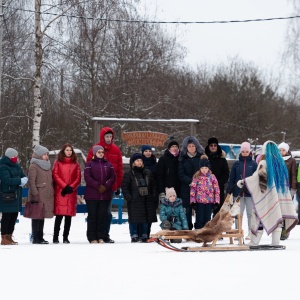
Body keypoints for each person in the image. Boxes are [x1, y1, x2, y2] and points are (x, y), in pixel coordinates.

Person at [237, 140, 298, 246]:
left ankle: (254, 241)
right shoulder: (281, 164)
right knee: (277, 217)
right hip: (279, 197)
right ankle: (275, 242)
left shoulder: (264, 163)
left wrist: (243, 181)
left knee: (260, 215)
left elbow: (257, 178)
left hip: (267, 196)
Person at [86, 127, 123, 243]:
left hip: (109, 187)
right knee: (95, 213)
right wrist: (97, 185)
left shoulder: (116, 150)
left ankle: (104, 234)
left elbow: (119, 170)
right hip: (94, 189)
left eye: (110, 137)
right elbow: (88, 169)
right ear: (102, 137)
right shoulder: (95, 148)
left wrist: (117, 185)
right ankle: (94, 235)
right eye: (106, 136)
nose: (108, 139)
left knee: (106, 213)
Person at [121, 153, 157, 243]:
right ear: (133, 163)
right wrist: (129, 198)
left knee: (145, 218)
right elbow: (125, 188)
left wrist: (153, 196)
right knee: (134, 218)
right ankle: (134, 235)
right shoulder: (129, 174)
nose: (139, 162)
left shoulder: (148, 173)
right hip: (134, 200)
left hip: (146, 199)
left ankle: (144, 234)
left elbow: (153, 186)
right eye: (137, 160)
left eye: (141, 160)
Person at [84, 145, 116, 243]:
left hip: (105, 194)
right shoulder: (89, 164)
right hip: (92, 195)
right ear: (95, 153)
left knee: (102, 216)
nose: (101, 154)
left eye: (102, 152)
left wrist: (105, 186)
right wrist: (98, 185)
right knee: (93, 216)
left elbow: (112, 177)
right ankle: (92, 237)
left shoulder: (108, 164)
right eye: (99, 152)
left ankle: (101, 236)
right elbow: (87, 177)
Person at [227, 142, 257, 240]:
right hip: (238, 193)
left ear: (249, 152)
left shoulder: (253, 164)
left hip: (249, 193)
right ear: (241, 151)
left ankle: (250, 232)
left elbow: (256, 178)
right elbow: (231, 178)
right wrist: (229, 191)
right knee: (238, 214)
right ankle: (237, 231)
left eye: (246, 151)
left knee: (250, 214)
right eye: (243, 151)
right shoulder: (236, 164)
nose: (244, 153)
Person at [52, 143, 81, 244]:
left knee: (68, 217)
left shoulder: (76, 164)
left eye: (70, 150)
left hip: (71, 192)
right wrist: (64, 186)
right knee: (59, 216)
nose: (69, 152)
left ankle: (65, 237)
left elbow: (78, 178)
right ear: (63, 151)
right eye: (67, 150)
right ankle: (55, 237)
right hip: (61, 192)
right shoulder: (58, 162)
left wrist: (71, 187)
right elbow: (55, 175)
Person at [0, 148, 28, 245]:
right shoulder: (3, 166)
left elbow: (23, 175)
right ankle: (4, 237)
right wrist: (19, 181)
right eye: (14, 156)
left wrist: (24, 179)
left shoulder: (17, 166)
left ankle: (9, 236)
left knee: (13, 216)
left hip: (16, 195)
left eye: (16, 156)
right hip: (6, 195)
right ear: (9, 156)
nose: (16, 158)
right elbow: (6, 180)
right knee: (6, 217)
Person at [28, 145, 54, 244]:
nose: (46, 156)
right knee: (36, 216)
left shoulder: (47, 165)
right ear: (39, 155)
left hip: (46, 194)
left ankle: (40, 236)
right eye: (44, 154)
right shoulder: (34, 165)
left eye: (47, 154)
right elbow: (31, 181)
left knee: (42, 216)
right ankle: (35, 237)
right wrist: (34, 193)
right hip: (38, 194)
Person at [178, 136, 204, 229]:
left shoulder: (201, 158)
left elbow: (205, 171)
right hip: (186, 188)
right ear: (186, 147)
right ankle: (187, 228)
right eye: (189, 146)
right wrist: (191, 181)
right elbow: (180, 174)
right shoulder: (182, 158)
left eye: (193, 146)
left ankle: (199, 228)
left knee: (199, 209)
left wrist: (198, 182)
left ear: (196, 146)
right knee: (187, 209)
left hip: (200, 187)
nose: (192, 148)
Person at [190, 155, 220, 229]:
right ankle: (198, 231)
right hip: (199, 201)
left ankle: (207, 232)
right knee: (199, 217)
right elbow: (193, 189)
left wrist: (216, 201)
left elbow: (216, 189)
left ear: (208, 168)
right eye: (202, 168)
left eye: (206, 168)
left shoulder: (212, 177)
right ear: (200, 168)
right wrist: (193, 201)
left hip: (209, 201)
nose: (204, 170)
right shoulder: (197, 177)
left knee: (207, 218)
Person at [204, 137, 229, 217]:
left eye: (215, 145)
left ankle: (217, 228)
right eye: (211, 145)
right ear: (208, 146)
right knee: (206, 211)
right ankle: (206, 228)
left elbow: (226, 174)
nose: (213, 147)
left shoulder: (222, 159)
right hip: (205, 189)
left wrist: (218, 184)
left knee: (218, 211)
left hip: (219, 188)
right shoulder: (204, 159)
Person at [277, 142, 297, 239]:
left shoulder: (292, 160)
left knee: (286, 210)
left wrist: (293, 188)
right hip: (278, 188)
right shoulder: (276, 159)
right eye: (280, 150)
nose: (281, 152)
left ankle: (286, 230)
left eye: (283, 150)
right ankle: (278, 230)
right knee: (279, 210)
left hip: (287, 188)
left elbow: (293, 174)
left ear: (287, 150)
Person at [141, 144, 157, 237]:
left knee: (151, 213)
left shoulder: (154, 162)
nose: (148, 153)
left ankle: (147, 232)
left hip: (153, 191)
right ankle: (142, 233)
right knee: (142, 212)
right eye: (146, 151)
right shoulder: (139, 162)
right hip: (142, 191)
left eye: (149, 151)